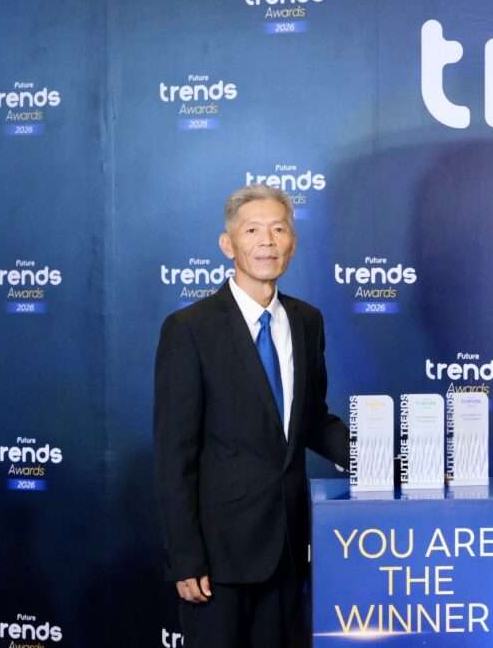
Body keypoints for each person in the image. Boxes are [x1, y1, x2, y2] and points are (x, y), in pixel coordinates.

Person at [154, 184, 349, 648]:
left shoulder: (307, 321)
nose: (267, 241)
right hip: (217, 559)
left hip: (288, 549)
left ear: (292, 243)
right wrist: (185, 556)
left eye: (278, 230)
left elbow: (312, 421)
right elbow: (174, 454)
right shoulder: (189, 329)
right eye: (253, 230)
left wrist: (390, 462)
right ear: (228, 245)